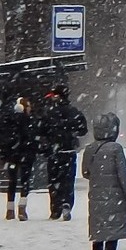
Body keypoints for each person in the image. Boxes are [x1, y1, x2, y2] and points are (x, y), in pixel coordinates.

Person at [83, 112, 126, 250]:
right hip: (116, 197)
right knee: (113, 232)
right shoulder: (116, 149)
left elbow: (85, 172)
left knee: (98, 233)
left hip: (96, 196)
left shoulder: (90, 148)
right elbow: (123, 175)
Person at [38, 87, 88, 221]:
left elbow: (41, 130)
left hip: (54, 152)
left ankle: (55, 209)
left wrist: (48, 143)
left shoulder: (49, 112)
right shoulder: (74, 112)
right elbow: (83, 129)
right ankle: (67, 204)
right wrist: (72, 134)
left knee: (54, 181)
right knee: (68, 180)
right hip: (69, 151)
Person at [0, 97, 40, 221]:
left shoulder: (8, 121)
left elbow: (3, 140)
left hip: (12, 156)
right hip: (26, 155)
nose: (30, 108)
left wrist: (4, 156)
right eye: (29, 106)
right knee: (25, 182)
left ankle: (10, 210)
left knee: (12, 182)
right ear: (25, 107)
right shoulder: (30, 121)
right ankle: (22, 208)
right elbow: (33, 139)